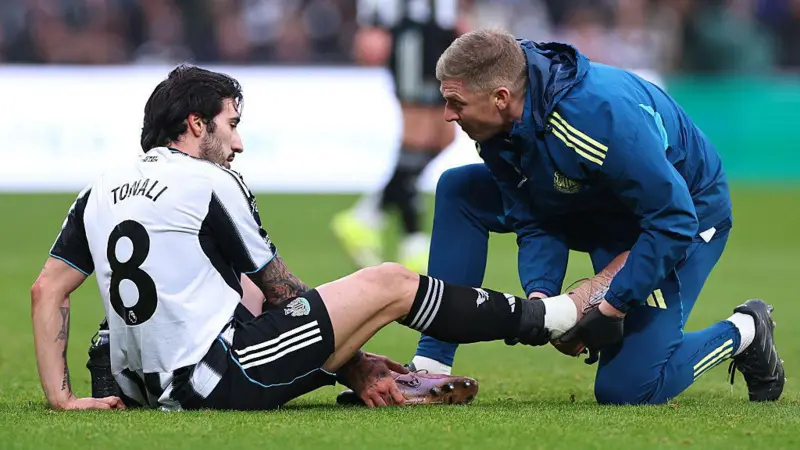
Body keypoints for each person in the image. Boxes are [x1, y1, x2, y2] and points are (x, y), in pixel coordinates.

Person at [30, 64, 617, 411]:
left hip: (136, 384)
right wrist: (351, 356)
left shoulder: (100, 187)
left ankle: (372, 371)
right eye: (232, 125)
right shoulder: (208, 180)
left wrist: (62, 398)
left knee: (241, 290)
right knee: (387, 283)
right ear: (195, 124)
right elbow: (285, 293)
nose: (238, 144)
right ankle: (553, 317)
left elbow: (46, 291)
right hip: (213, 380)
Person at [405, 28, 784, 404]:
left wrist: (611, 305)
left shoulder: (593, 120)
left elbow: (673, 218)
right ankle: (431, 366)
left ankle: (746, 331)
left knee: (628, 389)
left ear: (500, 98)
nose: (447, 115)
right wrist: (542, 303)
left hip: (683, 217)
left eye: (456, 103)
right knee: (460, 188)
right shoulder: (500, 115)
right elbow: (534, 213)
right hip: (600, 204)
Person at [330, 0, 470, 273]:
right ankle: (413, 241)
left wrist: (455, 16)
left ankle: (366, 216)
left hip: (441, 33)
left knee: (444, 136)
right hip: (411, 33)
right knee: (416, 136)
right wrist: (372, 22)